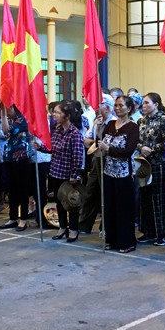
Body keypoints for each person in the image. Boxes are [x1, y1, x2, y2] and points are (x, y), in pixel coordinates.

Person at [98, 95, 139, 253]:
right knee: (109, 206)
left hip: (124, 174)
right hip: (108, 171)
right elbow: (101, 143)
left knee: (124, 208)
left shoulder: (132, 127)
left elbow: (128, 151)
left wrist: (109, 149)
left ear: (129, 109)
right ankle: (111, 239)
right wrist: (98, 132)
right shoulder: (110, 124)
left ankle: (126, 241)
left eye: (121, 105)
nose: (117, 108)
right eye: (116, 105)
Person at [136, 92, 165, 246]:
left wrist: (152, 149)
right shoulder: (141, 121)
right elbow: (136, 140)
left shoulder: (164, 120)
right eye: (143, 103)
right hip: (144, 164)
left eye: (147, 103)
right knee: (145, 198)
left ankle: (162, 233)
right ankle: (147, 231)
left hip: (159, 163)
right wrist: (141, 148)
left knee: (159, 199)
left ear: (156, 105)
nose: (144, 106)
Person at [48, 101, 85, 242]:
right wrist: (40, 147)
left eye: (58, 113)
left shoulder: (74, 133)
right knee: (59, 201)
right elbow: (52, 148)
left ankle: (73, 229)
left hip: (68, 174)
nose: (55, 115)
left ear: (67, 116)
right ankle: (62, 227)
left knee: (72, 202)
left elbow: (77, 156)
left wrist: (74, 174)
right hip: (55, 171)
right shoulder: (57, 129)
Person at [78, 94, 115, 233]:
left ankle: (105, 226)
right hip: (96, 160)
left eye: (98, 105)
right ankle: (84, 225)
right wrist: (96, 140)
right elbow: (86, 140)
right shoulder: (96, 121)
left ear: (107, 108)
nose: (95, 108)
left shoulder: (114, 123)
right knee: (90, 191)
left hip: (109, 161)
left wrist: (99, 143)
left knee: (106, 193)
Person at [0, 104, 31, 231]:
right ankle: (13, 217)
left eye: (8, 109)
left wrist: (3, 113)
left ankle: (23, 218)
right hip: (10, 158)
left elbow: (6, 130)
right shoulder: (12, 120)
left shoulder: (22, 120)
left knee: (22, 189)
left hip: (21, 159)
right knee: (11, 189)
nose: (7, 111)